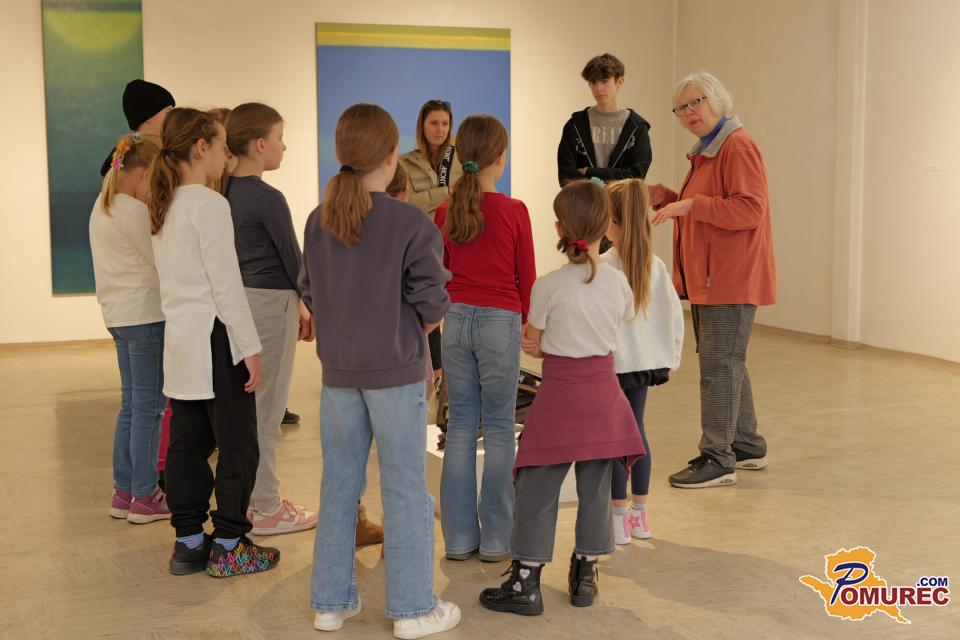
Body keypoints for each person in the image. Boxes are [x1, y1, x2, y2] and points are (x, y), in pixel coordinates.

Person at [301, 103, 461, 637]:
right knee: (405, 488)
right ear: (393, 157)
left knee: (339, 486)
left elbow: (311, 292)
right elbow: (432, 301)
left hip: (339, 375)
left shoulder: (318, 219)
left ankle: (330, 605)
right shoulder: (410, 222)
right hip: (395, 373)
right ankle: (414, 609)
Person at [478, 180, 645, 615]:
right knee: (596, 486)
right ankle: (586, 573)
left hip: (559, 396)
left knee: (537, 485)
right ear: (606, 227)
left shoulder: (548, 285)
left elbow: (533, 340)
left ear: (559, 227)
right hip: (603, 396)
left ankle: (526, 581)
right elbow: (619, 322)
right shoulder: (619, 284)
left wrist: (539, 343)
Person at [148, 107, 278, 577]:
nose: (228, 155)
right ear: (201, 148)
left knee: (188, 442)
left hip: (182, 340)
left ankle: (188, 543)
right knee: (238, 443)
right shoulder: (210, 204)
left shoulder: (163, 204)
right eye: (222, 145)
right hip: (216, 337)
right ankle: (228, 545)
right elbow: (226, 286)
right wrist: (251, 349)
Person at [650, 71, 776, 488]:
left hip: (730, 279)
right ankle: (747, 444)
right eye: (681, 108)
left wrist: (690, 204)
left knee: (719, 366)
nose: (689, 112)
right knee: (726, 361)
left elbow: (749, 210)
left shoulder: (737, 146)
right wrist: (668, 197)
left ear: (718, 100)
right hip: (709, 279)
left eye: (696, 102)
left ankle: (718, 458)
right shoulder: (706, 151)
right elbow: (704, 208)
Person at [434, 115, 535, 562]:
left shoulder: (446, 211)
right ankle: (496, 539)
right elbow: (527, 277)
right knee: (497, 428)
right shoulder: (514, 210)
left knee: (460, 427)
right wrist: (531, 326)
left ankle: (458, 539)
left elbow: (440, 276)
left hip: (455, 321)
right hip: (499, 323)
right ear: (500, 157)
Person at [223, 102, 318, 536]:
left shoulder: (222, 191)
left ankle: (251, 500)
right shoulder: (266, 198)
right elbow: (293, 259)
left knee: (250, 405)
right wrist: (308, 304)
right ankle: (265, 506)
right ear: (259, 144)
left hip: (240, 301)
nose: (284, 146)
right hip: (270, 303)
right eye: (280, 138)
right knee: (268, 406)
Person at [90, 132, 169, 524]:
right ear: (144, 173)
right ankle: (145, 495)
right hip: (146, 317)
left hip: (118, 318)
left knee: (131, 406)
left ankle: (124, 492)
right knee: (150, 409)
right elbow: (160, 261)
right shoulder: (134, 213)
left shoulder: (102, 207)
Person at [603, 179, 683, 542]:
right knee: (636, 431)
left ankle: (618, 518)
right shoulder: (656, 265)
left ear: (612, 221)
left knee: (614, 437)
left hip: (613, 366)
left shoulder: (604, 267)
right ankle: (640, 516)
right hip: (646, 365)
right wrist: (670, 357)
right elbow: (673, 317)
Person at [399, 100, 463, 392]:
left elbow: (467, 199)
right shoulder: (405, 162)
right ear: (422, 126)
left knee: (455, 308)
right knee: (428, 308)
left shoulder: (461, 159)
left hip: (457, 242)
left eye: (445, 123)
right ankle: (435, 373)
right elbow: (408, 203)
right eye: (433, 123)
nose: (440, 129)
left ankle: (452, 373)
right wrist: (446, 192)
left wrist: (431, 197)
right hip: (421, 244)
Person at [557, 53, 652, 187]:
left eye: (604, 81)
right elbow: (565, 177)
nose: (598, 88)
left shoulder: (637, 127)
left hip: (621, 200)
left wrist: (591, 172)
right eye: (593, 82)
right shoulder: (575, 125)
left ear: (620, 81)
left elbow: (637, 175)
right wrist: (612, 178)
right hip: (584, 201)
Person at [99, 79, 175, 177]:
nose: (173, 117)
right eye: (168, 112)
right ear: (148, 115)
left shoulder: (165, 147)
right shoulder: (129, 152)